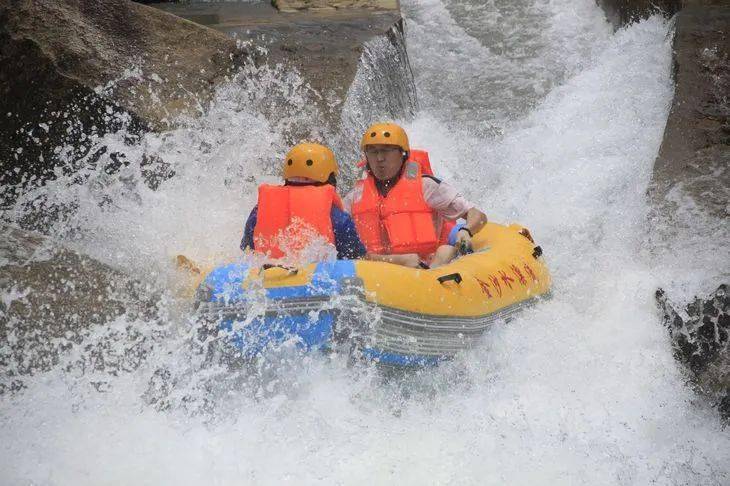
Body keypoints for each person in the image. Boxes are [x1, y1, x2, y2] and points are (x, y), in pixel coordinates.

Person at [343, 123, 488, 268]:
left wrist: (466, 230)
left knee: (446, 251)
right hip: (378, 270)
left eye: (386, 150)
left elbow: (478, 216)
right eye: (373, 151)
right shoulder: (355, 196)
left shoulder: (426, 186)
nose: (379, 158)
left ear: (403, 154)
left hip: (426, 270)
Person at [241, 142, 366, 262]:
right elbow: (356, 261)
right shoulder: (338, 218)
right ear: (330, 179)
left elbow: (247, 252)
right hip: (315, 281)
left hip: (267, 279)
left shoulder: (260, 211)